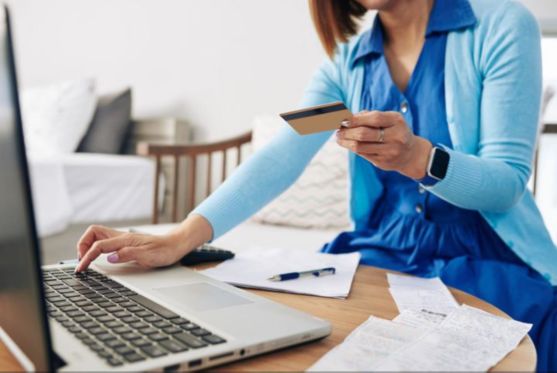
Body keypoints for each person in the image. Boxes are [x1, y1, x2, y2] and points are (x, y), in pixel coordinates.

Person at [75, 0, 557, 369]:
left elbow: (506, 184)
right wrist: (181, 237)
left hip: (489, 256)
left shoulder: (500, 27)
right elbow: (283, 153)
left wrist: (419, 158)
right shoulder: (347, 64)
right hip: (378, 254)